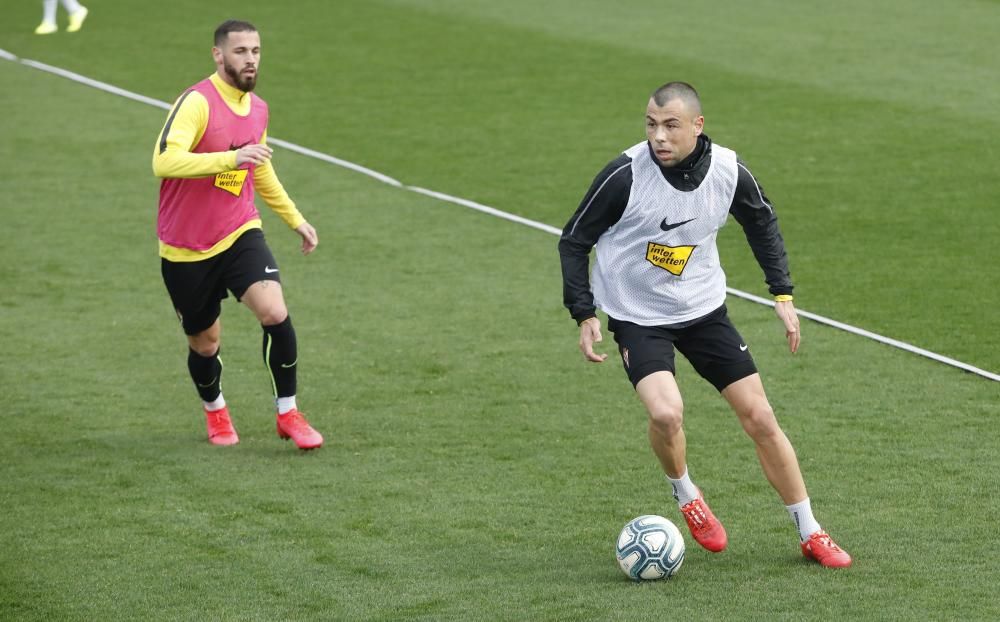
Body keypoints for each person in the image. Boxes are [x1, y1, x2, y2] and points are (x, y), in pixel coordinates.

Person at [558, 82, 851, 568]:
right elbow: (573, 240)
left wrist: (782, 294)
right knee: (667, 414)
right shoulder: (624, 176)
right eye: (651, 124)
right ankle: (686, 493)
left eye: (671, 125)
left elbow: (762, 222)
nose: (659, 136)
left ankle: (810, 531)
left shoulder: (729, 171)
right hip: (639, 317)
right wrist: (584, 312)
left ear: (698, 125)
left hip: (703, 310)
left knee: (760, 417)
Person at [152, 19, 323, 450]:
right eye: (241, 51)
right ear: (218, 55)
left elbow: (259, 167)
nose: (250, 59)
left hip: (239, 229)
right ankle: (216, 411)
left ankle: (289, 413)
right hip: (186, 247)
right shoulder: (197, 102)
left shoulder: (259, 109)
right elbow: (165, 162)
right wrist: (229, 159)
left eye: (256, 51)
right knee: (205, 344)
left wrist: (294, 218)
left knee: (275, 312)